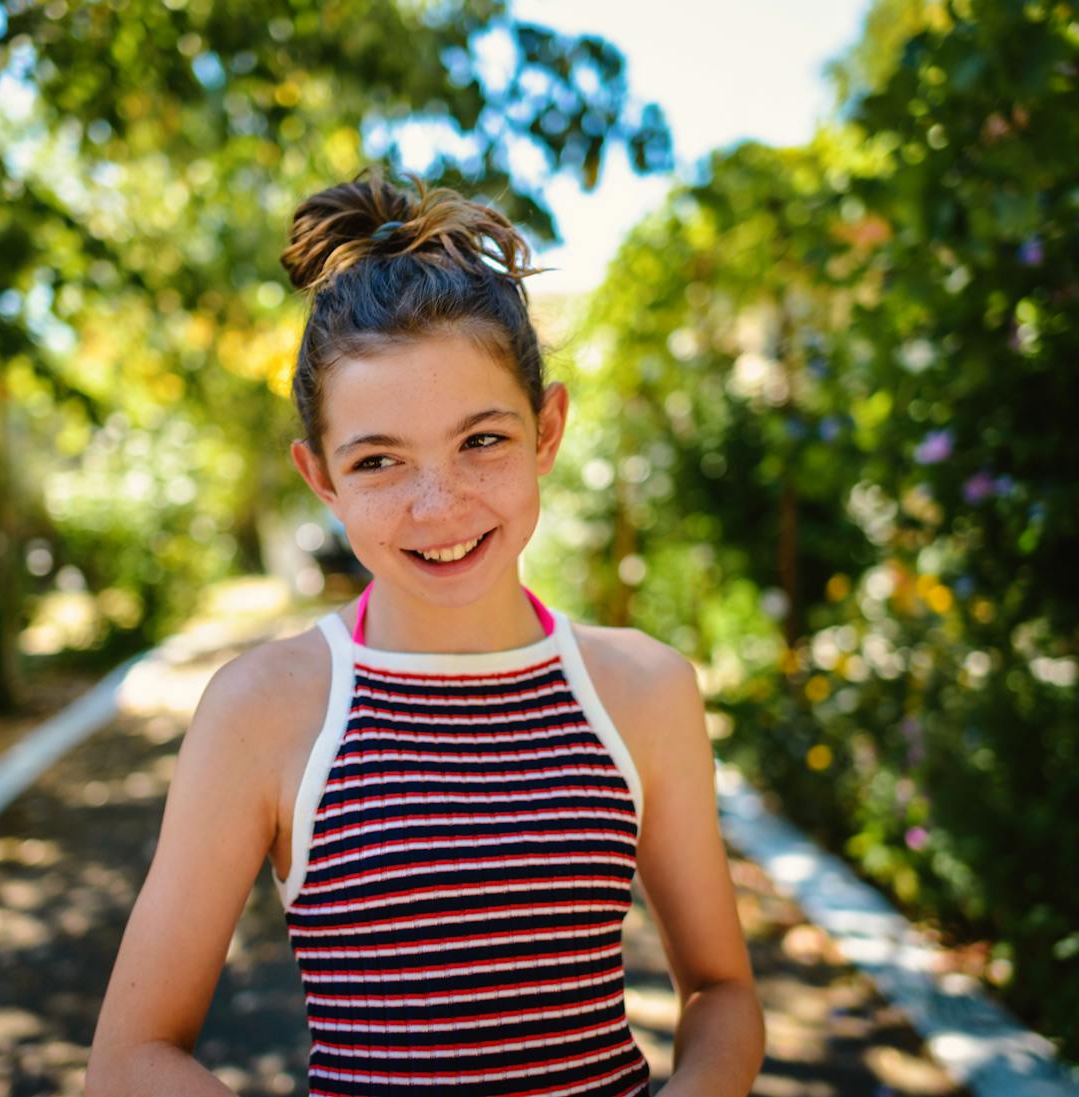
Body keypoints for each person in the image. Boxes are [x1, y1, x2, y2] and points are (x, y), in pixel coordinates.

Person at [86, 168, 765, 1096]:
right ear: (320, 477)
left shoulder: (641, 691)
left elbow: (722, 993)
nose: (437, 505)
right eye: (378, 461)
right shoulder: (267, 710)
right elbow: (132, 1058)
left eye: (481, 440)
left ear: (547, 430)